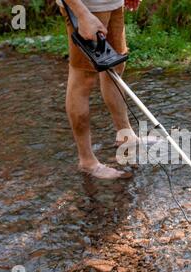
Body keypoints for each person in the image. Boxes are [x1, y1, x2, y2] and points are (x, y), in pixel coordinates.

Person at [57, 0, 143, 180]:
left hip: (111, 3)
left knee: (115, 67)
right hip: (86, 8)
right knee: (84, 79)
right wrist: (82, 14)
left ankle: (124, 134)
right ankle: (87, 161)